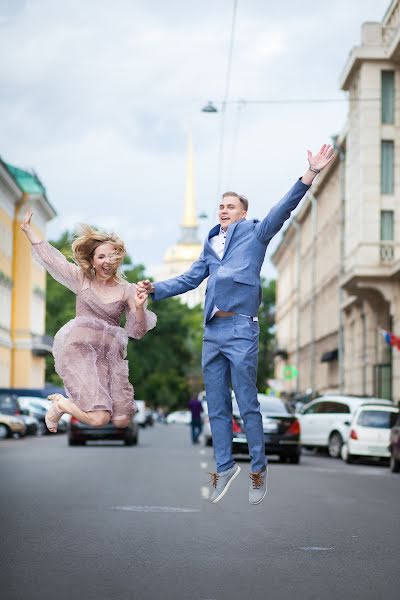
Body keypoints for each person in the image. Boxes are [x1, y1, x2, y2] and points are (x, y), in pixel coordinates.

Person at [138, 145, 334, 505]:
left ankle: (258, 469)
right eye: (221, 206)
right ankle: (224, 466)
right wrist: (155, 290)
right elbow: (189, 279)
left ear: (244, 212)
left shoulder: (256, 234)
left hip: (242, 329)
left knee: (246, 402)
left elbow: (284, 209)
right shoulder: (210, 244)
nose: (223, 211)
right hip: (212, 331)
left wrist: (310, 173)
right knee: (216, 404)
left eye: (230, 206)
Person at [21, 211, 157, 432]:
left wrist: (140, 308)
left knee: (122, 419)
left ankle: (65, 404)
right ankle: (62, 405)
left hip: (108, 356)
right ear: (92, 261)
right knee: (99, 419)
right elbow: (52, 260)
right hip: (80, 351)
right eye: (101, 257)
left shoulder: (128, 291)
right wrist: (29, 230)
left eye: (112, 257)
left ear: (119, 259)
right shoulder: (81, 279)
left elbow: (137, 331)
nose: (107, 262)